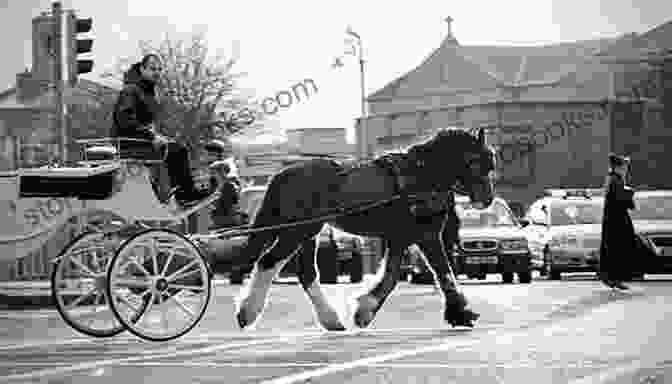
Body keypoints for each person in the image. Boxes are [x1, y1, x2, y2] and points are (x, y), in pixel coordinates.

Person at [112, 53, 210, 206]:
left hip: (140, 142)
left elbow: (144, 122)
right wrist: (151, 136)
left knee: (175, 149)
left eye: (159, 69)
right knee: (178, 151)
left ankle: (176, 192)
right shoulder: (131, 90)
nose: (156, 72)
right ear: (142, 70)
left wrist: (157, 135)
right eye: (152, 69)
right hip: (131, 145)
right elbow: (124, 120)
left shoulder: (148, 93)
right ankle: (185, 193)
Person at [599, 153, 636, 290]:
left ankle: (613, 278)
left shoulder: (614, 179)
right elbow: (619, 200)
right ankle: (614, 278)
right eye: (624, 166)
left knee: (615, 249)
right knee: (617, 249)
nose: (625, 169)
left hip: (615, 220)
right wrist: (629, 194)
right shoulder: (615, 180)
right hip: (616, 221)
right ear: (618, 167)